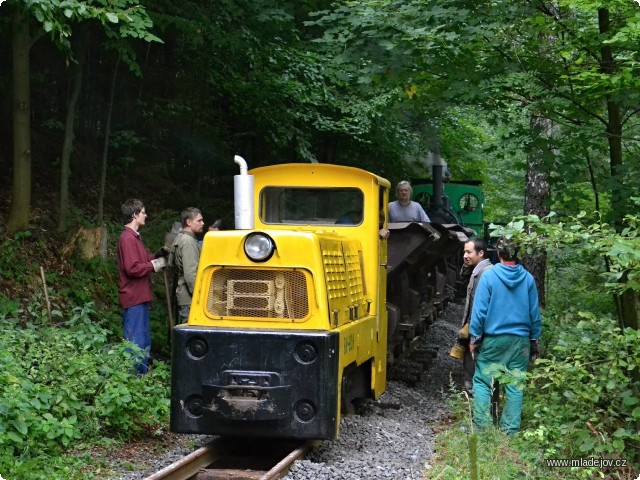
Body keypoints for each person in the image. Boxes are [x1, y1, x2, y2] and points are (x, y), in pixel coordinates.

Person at [469, 237, 542, 435]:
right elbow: (534, 314)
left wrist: (474, 338)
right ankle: (510, 433)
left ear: (498, 253)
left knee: (483, 380)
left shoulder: (489, 277)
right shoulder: (527, 278)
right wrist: (534, 340)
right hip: (521, 341)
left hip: (494, 338)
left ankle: (483, 429)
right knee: (515, 384)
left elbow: (479, 311)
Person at [117, 199, 167, 374]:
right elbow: (132, 268)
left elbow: (145, 259)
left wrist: (158, 256)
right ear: (134, 215)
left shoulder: (135, 238)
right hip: (133, 297)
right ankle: (134, 379)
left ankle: (142, 377)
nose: (146, 215)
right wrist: (154, 265)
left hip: (141, 296)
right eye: (143, 212)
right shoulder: (127, 239)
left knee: (144, 340)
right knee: (135, 342)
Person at [450, 238, 493, 395]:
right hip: (475, 329)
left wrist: (474, 333)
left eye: (469, 252)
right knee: (471, 371)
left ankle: (476, 409)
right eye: (464, 252)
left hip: (479, 332)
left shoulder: (486, 273)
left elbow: (482, 306)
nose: (465, 256)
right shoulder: (477, 271)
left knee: (476, 374)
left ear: (481, 253)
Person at [173, 207, 205, 323]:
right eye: (199, 220)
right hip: (190, 299)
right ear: (188, 222)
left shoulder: (181, 237)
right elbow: (191, 275)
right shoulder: (188, 242)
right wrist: (200, 296)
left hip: (185, 296)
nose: (203, 223)